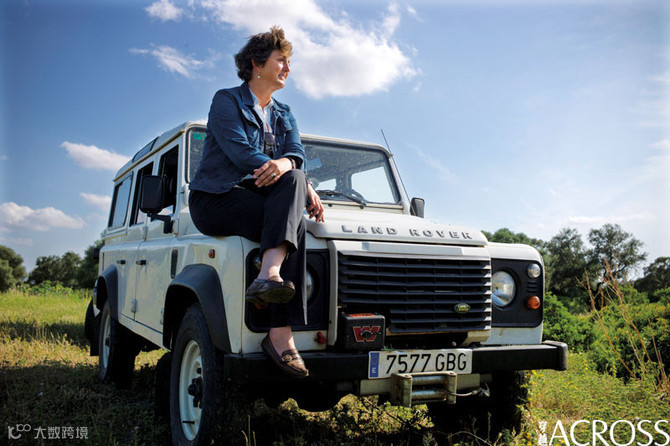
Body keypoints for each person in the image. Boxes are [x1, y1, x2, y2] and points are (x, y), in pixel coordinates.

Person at [189, 27, 324, 378]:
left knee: (294, 186)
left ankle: (268, 276)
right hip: (216, 198)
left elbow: (296, 154)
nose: (288, 68)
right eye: (281, 60)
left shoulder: (285, 112)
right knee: (294, 221)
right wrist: (285, 170)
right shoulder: (226, 100)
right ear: (257, 64)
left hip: (258, 199)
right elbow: (238, 152)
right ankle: (279, 333)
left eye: (289, 62)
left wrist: (299, 177)